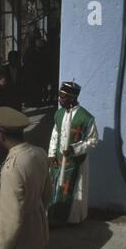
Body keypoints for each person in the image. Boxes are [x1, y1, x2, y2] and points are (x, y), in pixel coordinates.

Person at [0, 106, 50, 249]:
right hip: (36, 233)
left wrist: (3, 246)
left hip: (17, 245)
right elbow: (46, 194)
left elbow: (12, 217)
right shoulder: (39, 152)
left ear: (1, 133)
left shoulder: (12, 168)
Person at [48, 82, 99, 224]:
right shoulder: (59, 113)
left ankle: (71, 220)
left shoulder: (86, 118)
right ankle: (54, 216)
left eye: (62, 97)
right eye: (60, 96)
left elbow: (93, 141)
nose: (59, 99)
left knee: (71, 189)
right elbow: (55, 134)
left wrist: (74, 149)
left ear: (72, 98)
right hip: (58, 160)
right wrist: (51, 154)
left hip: (75, 162)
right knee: (55, 187)